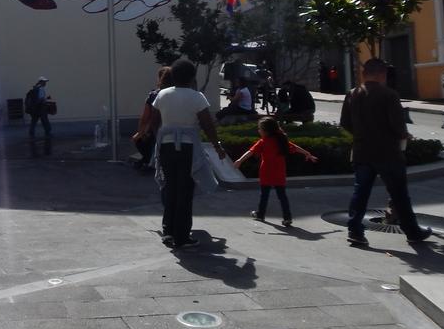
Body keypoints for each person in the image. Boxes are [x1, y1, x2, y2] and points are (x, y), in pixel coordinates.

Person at [339, 57, 433, 247]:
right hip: (387, 152)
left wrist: (360, 135)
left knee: (360, 192)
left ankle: (355, 231)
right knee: (399, 194)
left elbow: (345, 123)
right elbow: (397, 125)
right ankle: (412, 232)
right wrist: (404, 135)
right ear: (382, 74)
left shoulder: (352, 94)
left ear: (363, 74)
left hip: (362, 151)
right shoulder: (389, 94)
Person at [149, 59, 227, 249]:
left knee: (170, 187)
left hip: (166, 146)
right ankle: (182, 236)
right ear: (192, 77)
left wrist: (159, 139)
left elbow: (154, 122)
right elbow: (207, 124)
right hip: (188, 148)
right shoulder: (197, 97)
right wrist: (217, 145)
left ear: (173, 75)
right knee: (185, 191)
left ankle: (168, 231)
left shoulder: (162, 95)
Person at [233, 117, 317, 226]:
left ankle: (260, 214)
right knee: (282, 196)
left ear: (266, 131)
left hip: (266, 172)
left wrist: (240, 160)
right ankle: (287, 218)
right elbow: (295, 148)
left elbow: (250, 152)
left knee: (264, 195)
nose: (258, 131)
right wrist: (307, 153)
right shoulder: (281, 140)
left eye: (260, 129)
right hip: (279, 172)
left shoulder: (263, 142)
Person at [132, 66, 172, 169]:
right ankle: (149, 160)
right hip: (176, 129)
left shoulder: (154, 95)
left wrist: (140, 132)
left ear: (160, 79)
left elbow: (145, 117)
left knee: (139, 139)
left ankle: (147, 160)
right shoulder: (180, 94)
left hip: (157, 129)